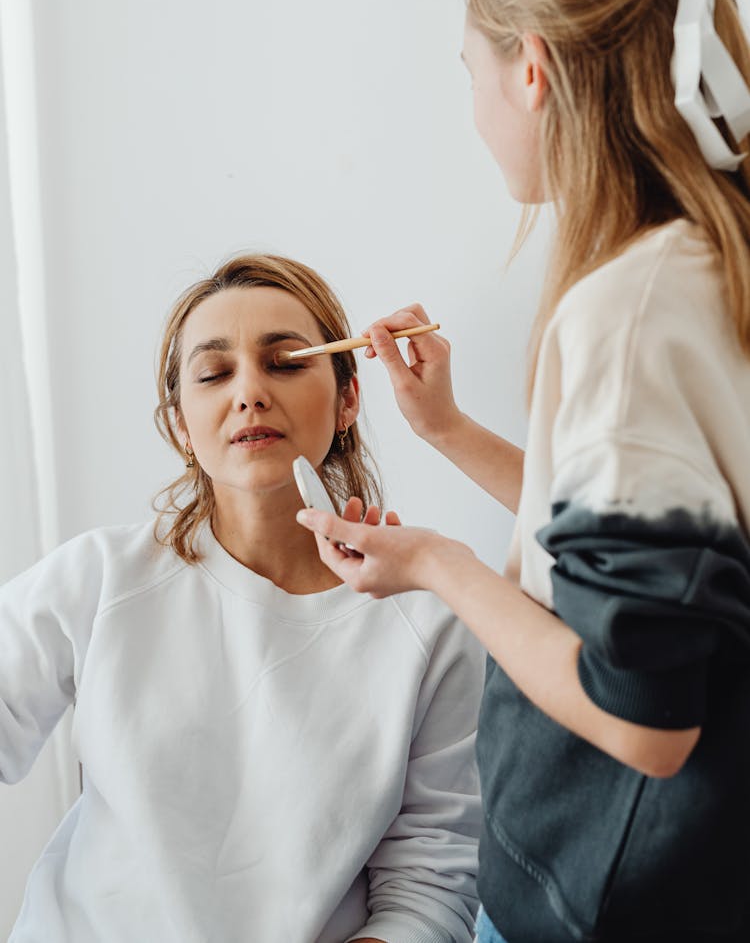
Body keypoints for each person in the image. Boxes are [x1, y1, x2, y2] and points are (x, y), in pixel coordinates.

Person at [296, 0, 750, 943]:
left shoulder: (627, 311)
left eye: (473, 73)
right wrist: (449, 431)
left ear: (532, 70)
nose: (474, 112)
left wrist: (435, 566)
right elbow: (672, 551)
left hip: (610, 899)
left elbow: (646, 716)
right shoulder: (711, 263)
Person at [0, 253, 484, 943]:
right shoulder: (99, 577)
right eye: (213, 372)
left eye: (287, 361)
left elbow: (432, 889)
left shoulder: (431, 623)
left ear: (348, 398)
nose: (250, 391)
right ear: (179, 424)